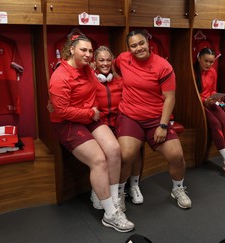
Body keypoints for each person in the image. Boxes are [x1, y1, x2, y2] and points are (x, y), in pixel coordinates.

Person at [48, 35, 134, 233]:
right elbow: (61, 111)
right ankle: (110, 215)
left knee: (114, 150)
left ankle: (111, 200)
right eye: (83, 50)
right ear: (71, 50)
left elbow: (93, 91)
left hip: (89, 118)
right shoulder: (60, 76)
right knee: (99, 160)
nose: (88, 55)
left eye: (89, 51)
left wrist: (90, 111)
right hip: (67, 123)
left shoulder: (86, 69)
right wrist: (89, 112)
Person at [114, 29, 192, 211]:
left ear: (148, 42)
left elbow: (170, 98)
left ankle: (178, 189)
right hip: (130, 116)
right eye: (133, 45)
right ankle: (119, 193)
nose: (138, 48)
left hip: (156, 118)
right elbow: (115, 69)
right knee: (126, 155)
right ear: (128, 48)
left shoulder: (163, 66)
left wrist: (163, 126)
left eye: (141, 43)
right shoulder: (123, 59)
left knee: (176, 156)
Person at [90, 45, 144, 206]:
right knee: (104, 154)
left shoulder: (120, 80)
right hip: (99, 125)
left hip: (119, 122)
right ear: (95, 62)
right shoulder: (90, 79)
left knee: (134, 148)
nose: (105, 63)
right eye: (101, 60)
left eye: (108, 60)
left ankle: (134, 186)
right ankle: (99, 189)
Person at [194, 47, 225, 172]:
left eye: (211, 62)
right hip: (198, 104)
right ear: (199, 59)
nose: (208, 64)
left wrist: (217, 98)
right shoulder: (193, 72)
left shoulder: (212, 72)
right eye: (206, 61)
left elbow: (213, 90)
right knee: (216, 123)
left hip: (210, 102)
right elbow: (192, 94)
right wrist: (204, 101)